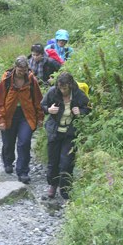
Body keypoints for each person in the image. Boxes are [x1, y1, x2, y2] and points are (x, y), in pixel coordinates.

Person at [0, 56, 44, 184]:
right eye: (20, 70)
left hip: (26, 115)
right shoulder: (6, 80)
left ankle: (23, 171)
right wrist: (0, 119)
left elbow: (38, 100)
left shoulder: (32, 80)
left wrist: (40, 117)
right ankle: (8, 161)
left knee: (24, 142)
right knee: (8, 142)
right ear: (15, 68)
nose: (22, 73)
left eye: (25, 70)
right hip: (9, 114)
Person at [41, 71, 91, 199]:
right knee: (53, 161)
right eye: (60, 87)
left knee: (67, 162)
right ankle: (53, 185)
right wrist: (49, 110)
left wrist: (80, 111)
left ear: (70, 85)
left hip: (70, 133)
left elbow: (88, 108)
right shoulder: (53, 92)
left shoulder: (78, 94)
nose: (62, 90)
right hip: (54, 131)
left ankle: (65, 189)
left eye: (65, 88)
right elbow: (42, 105)